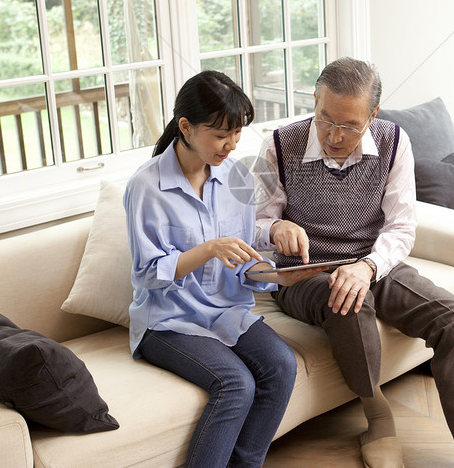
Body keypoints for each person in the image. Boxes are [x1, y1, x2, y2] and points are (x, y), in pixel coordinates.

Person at [254, 57, 454, 468]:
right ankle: (379, 419)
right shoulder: (277, 145)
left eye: (350, 125)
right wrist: (275, 227)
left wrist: (368, 267)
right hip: (305, 273)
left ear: (372, 114)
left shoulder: (394, 142)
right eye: (325, 119)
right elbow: (253, 222)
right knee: (348, 302)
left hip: (373, 263)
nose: (335, 135)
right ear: (315, 100)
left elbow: (402, 227)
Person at [124, 70, 321, 468]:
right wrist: (207, 250)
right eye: (220, 135)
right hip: (167, 321)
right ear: (186, 127)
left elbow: (244, 263)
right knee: (235, 384)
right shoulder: (146, 187)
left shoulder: (235, 177)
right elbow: (146, 274)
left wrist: (278, 275)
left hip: (226, 309)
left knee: (281, 365)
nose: (230, 145)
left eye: (236, 133)